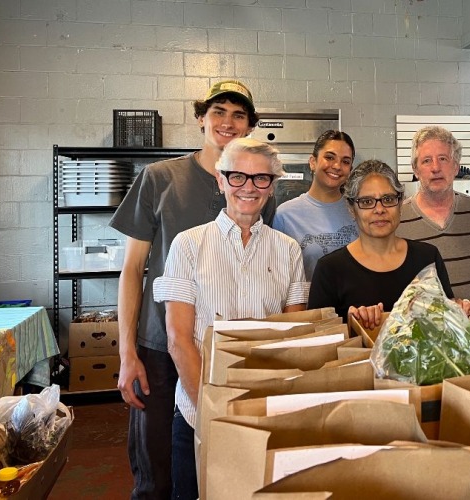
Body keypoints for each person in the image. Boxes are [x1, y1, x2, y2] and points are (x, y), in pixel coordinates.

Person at [109, 80, 274, 499]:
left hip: (229, 351)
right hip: (162, 346)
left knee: (219, 464)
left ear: (250, 125)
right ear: (202, 118)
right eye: (219, 111)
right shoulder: (160, 178)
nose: (228, 122)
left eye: (240, 115)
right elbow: (132, 271)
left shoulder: (257, 186)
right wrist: (127, 353)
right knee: (157, 468)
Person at [153, 138, 307, 498]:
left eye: (261, 179)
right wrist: (213, 413)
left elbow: (292, 340)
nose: (249, 188)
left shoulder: (288, 250)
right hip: (197, 414)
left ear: (271, 187)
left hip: (266, 413)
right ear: (221, 181)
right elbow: (178, 340)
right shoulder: (188, 245)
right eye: (237, 177)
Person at [309, 160, 470, 330]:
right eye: (366, 202)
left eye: (388, 199)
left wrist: (460, 312)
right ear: (352, 209)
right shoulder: (329, 269)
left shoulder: (427, 257)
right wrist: (352, 325)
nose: (379, 209)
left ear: (400, 203)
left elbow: (446, 327)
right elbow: (318, 338)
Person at [396, 126, 470, 306]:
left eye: (443, 159)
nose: (435, 167)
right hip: (422, 331)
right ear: (415, 169)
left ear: (456, 166)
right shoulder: (397, 220)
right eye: (426, 160)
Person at [272, 130, 358, 282]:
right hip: (308, 305)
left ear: (350, 170)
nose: (337, 166)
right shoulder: (285, 216)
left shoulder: (359, 211)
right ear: (313, 162)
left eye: (345, 161)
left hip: (357, 305)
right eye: (329, 157)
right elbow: (277, 277)